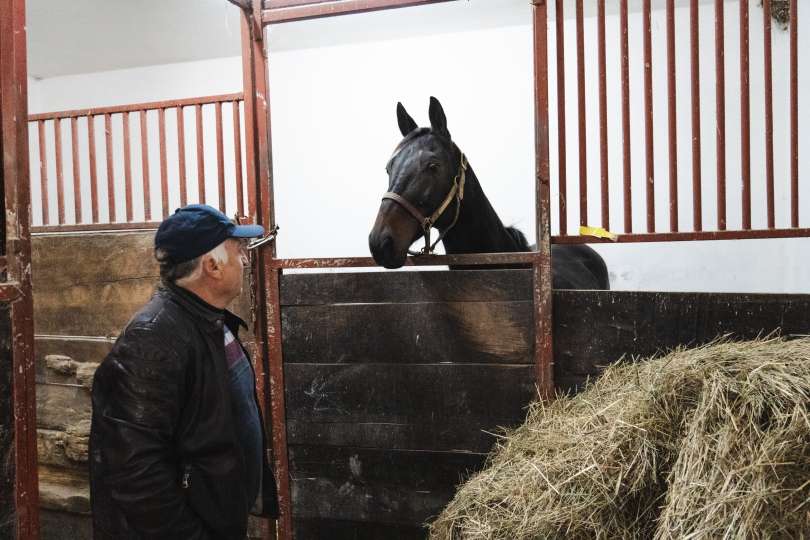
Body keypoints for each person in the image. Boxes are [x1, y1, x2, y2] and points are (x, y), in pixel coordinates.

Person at [89, 204, 279, 539]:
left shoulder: (209, 321)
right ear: (212, 266)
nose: (246, 261)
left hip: (216, 516)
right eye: (238, 252)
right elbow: (135, 473)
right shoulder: (153, 339)